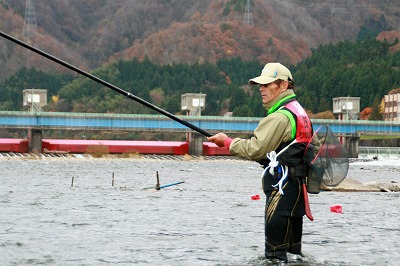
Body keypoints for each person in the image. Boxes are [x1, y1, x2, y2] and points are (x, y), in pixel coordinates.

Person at [207, 62, 313, 262]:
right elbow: (287, 151)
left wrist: (227, 142)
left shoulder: (280, 117)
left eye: (267, 84)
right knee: (292, 254)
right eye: (260, 85)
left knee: (274, 256)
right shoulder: (299, 112)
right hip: (297, 189)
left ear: (283, 86)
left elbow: (256, 149)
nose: (261, 89)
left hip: (281, 190)